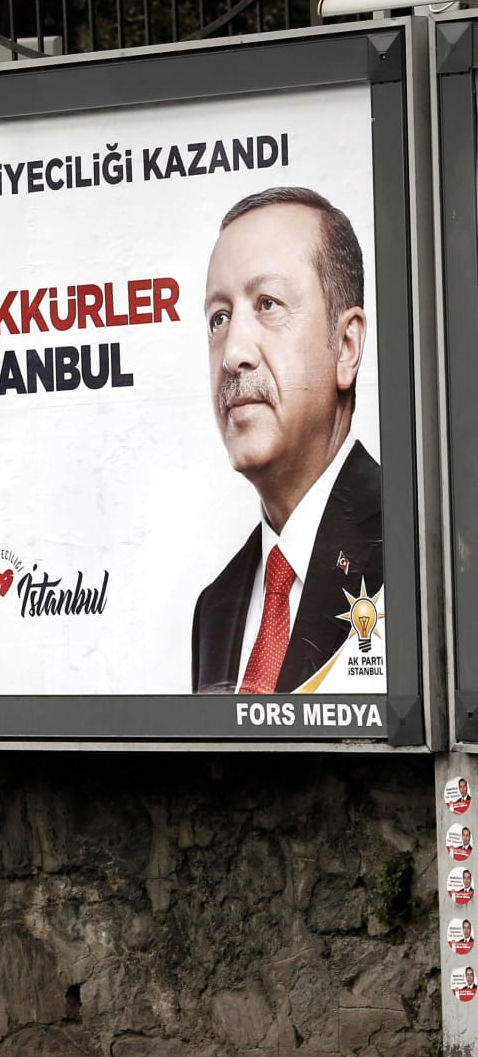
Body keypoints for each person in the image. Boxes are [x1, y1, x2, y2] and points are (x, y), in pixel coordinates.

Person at [192, 187, 382, 694]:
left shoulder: (417, 559)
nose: (233, 352)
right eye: (219, 318)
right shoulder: (216, 607)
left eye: (268, 304)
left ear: (346, 346)